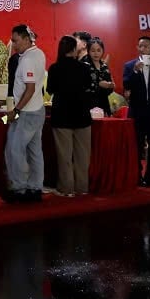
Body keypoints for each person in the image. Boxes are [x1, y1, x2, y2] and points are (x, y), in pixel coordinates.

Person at [3, 24, 47, 204]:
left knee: (14, 150)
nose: (13, 45)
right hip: (37, 110)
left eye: (15, 41)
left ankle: (19, 188)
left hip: (26, 112)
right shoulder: (39, 54)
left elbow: (30, 89)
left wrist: (16, 110)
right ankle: (35, 188)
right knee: (35, 151)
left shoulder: (27, 60)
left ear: (27, 39)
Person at [47, 35, 93, 197]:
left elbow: (50, 89)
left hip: (61, 116)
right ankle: (82, 188)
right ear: (74, 50)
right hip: (82, 115)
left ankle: (66, 189)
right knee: (83, 156)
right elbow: (89, 87)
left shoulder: (54, 68)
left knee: (64, 156)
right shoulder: (84, 68)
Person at [123, 36, 150, 188]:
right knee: (137, 145)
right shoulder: (130, 66)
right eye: (140, 46)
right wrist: (135, 71)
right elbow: (126, 85)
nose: (142, 49)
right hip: (138, 111)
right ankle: (137, 176)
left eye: (146, 46)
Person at [83, 37, 114, 116]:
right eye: (93, 51)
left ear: (103, 51)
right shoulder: (84, 65)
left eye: (98, 50)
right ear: (88, 51)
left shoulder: (104, 66)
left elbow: (110, 88)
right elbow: (82, 85)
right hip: (88, 103)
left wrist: (110, 86)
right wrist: (98, 84)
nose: (96, 53)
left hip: (103, 103)